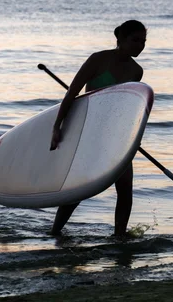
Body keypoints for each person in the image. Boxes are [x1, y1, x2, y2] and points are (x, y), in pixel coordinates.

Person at [49, 20, 147, 237]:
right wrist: (58, 127)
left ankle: (119, 236)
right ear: (120, 39)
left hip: (116, 135)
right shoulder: (99, 59)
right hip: (90, 131)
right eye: (135, 40)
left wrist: (133, 136)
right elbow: (72, 94)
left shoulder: (136, 71)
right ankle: (55, 232)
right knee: (79, 189)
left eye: (143, 41)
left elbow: (127, 110)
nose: (140, 46)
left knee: (124, 189)